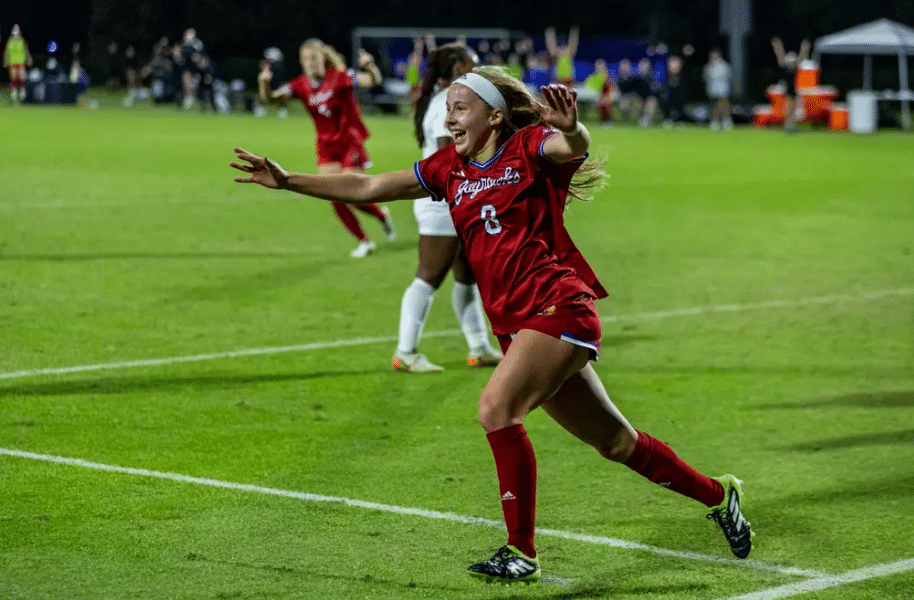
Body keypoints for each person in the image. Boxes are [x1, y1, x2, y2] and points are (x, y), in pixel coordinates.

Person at [231, 66, 753, 584]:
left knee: (496, 409)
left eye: (461, 107)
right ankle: (718, 494)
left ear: (495, 116)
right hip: (518, 326)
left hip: (558, 308)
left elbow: (573, 147)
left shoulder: (529, 149)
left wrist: (571, 128)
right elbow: (368, 184)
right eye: (449, 107)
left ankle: (520, 551)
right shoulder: (447, 170)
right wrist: (287, 181)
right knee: (617, 443)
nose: (450, 116)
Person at [393, 42, 503, 373]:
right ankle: (406, 351)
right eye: (473, 61)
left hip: (455, 198)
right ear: (458, 67)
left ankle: (479, 346)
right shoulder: (448, 103)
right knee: (429, 275)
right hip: (443, 201)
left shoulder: (446, 100)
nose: (478, 65)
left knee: (466, 276)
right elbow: (449, 155)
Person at [258, 38, 396, 258]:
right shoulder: (299, 85)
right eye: (306, 59)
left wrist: (370, 67)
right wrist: (264, 83)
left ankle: (380, 215)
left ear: (323, 59)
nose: (310, 62)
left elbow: (372, 80)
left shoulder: (340, 78)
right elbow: (271, 99)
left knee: (354, 194)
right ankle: (364, 240)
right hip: (326, 147)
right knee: (334, 196)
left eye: (314, 58)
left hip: (350, 141)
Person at [771, 37, 811, 133]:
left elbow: (802, 56)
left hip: (794, 89)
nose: (791, 63)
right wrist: (777, 46)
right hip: (788, 90)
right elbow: (780, 55)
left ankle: (791, 125)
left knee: (794, 110)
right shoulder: (785, 67)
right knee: (788, 109)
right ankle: (788, 125)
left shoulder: (796, 68)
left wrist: (805, 48)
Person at [703, 48, 733, 130]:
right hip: (712, 89)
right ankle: (714, 121)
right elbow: (706, 77)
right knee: (714, 106)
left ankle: (726, 120)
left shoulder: (724, 65)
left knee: (724, 105)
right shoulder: (708, 66)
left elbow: (727, 76)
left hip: (722, 89)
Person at [3, 24, 33, 103]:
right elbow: (6, 51)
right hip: (12, 61)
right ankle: (14, 92)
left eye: (17, 34)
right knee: (13, 77)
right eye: (14, 34)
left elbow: (26, 50)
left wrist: (29, 58)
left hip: (20, 61)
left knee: (21, 77)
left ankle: (22, 92)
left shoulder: (22, 40)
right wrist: (5, 60)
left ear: (19, 34)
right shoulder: (9, 41)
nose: (15, 35)